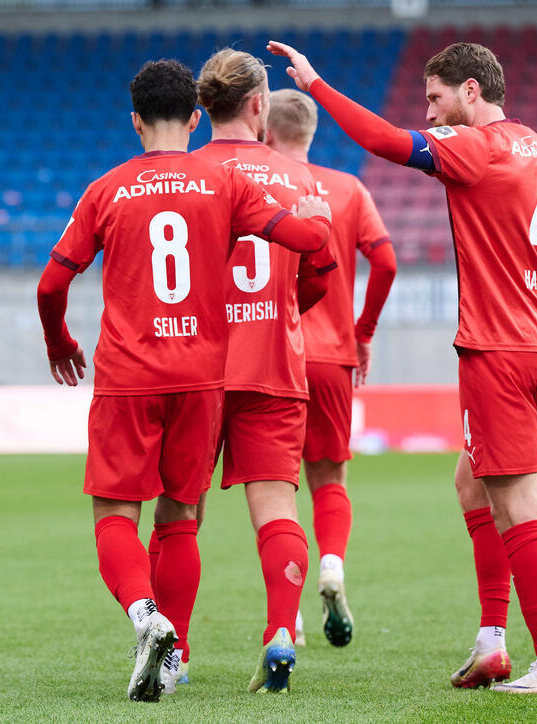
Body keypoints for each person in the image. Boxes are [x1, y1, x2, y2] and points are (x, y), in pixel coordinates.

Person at [269, 40, 537, 695]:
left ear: (471, 91)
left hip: (498, 350)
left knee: (518, 503)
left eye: (435, 98)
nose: (429, 113)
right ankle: (492, 642)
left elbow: (380, 139)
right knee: (471, 485)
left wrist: (316, 84)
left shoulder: (475, 145)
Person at [35, 59, 331, 701]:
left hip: (129, 375)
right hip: (204, 376)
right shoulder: (224, 182)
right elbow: (306, 239)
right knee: (178, 518)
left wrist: (60, 341)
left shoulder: (107, 187)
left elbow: (52, 282)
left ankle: (153, 625)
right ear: (194, 119)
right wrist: (317, 217)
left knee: (116, 513)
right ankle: (191, 650)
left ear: (135, 119)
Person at [188, 48, 335, 693]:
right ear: (258, 108)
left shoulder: (183, 176)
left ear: (203, 109)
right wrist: (278, 313)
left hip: (196, 364)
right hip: (275, 358)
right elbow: (319, 276)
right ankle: (280, 628)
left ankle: (176, 653)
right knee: (276, 505)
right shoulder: (301, 180)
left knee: (178, 509)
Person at [266, 88, 398, 648]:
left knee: (277, 489)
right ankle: (334, 566)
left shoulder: (260, 183)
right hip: (334, 356)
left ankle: (288, 616)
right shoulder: (347, 188)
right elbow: (386, 261)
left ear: (265, 130)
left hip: (274, 354)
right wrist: (362, 332)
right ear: (313, 131)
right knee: (330, 478)